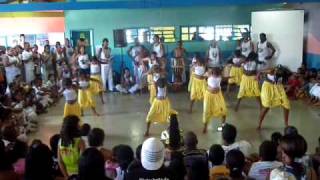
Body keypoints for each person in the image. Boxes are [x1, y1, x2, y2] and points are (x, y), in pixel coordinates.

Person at [203, 67, 227, 133]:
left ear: (219, 73)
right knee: (206, 111)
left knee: (224, 111)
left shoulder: (220, 77)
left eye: (217, 73)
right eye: (214, 73)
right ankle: (205, 127)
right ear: (212, 72)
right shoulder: (208, 75)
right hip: (209, 96)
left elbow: (225, 78)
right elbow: (203, 76)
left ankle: (223, 126)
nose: (216, 74)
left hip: (218, 96)